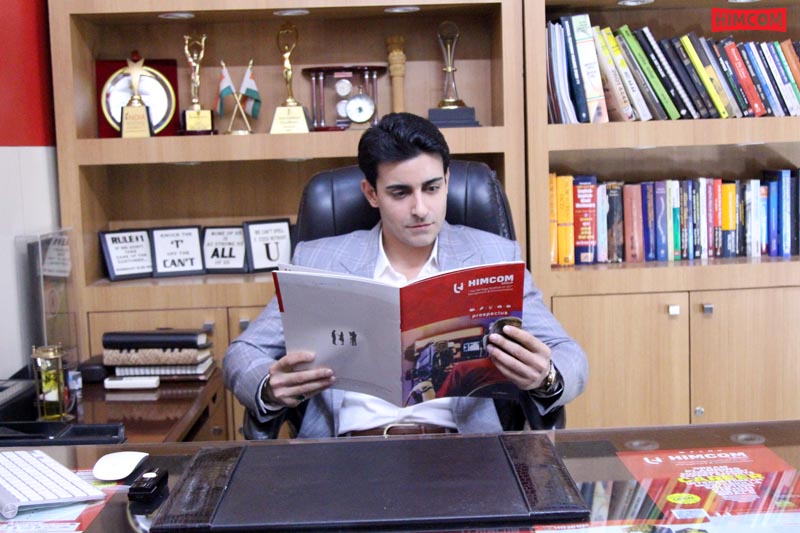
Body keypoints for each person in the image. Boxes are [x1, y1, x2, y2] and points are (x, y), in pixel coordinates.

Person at [223, 112, 588, 438]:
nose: (421, 209)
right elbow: (242, 353)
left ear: (447, 180)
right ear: (371, 194)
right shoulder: (319, 260)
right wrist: (269, 388)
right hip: (345, 453)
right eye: (400, 193)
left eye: (432, 188)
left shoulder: (494, 256)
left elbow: (571, 356)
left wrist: (546, 377)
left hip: (461, 450)